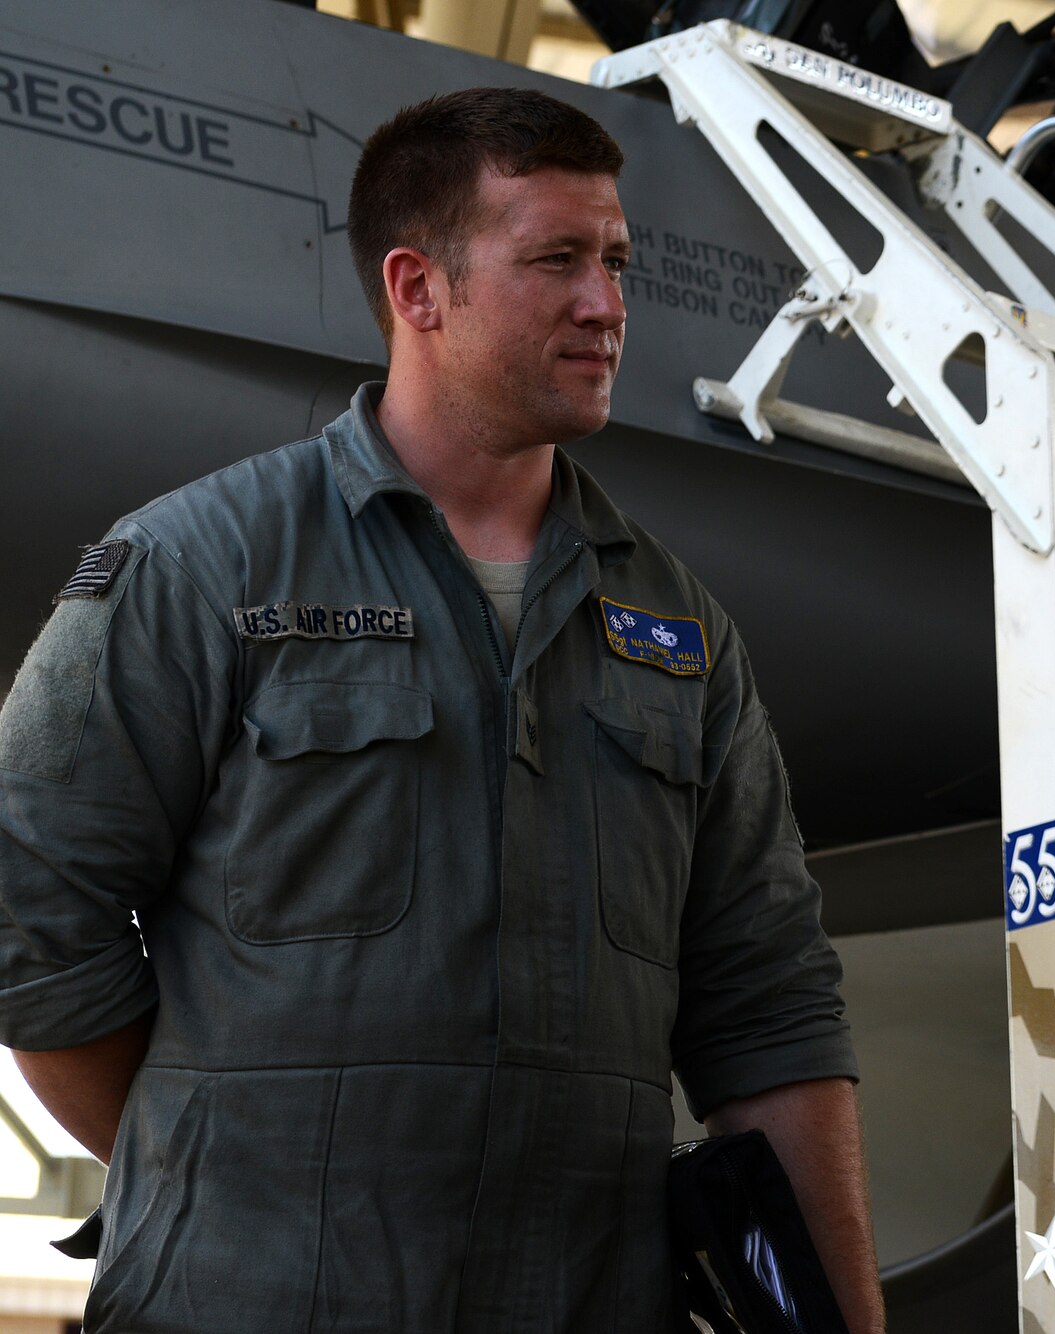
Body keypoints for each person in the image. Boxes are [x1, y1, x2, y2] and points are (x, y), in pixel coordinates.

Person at [0, 87, 883, 1332]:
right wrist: (224, 1160)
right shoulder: (198, 569)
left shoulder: (684, 634)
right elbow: (33, 919)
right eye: (556, 260)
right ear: (418, 289)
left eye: (615, 260)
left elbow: (771, 1008)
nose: (606, 301)